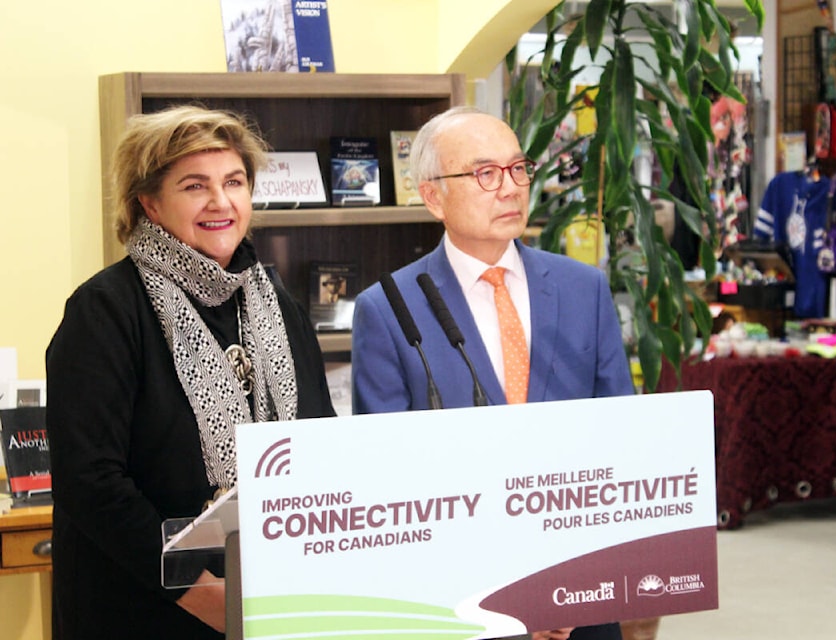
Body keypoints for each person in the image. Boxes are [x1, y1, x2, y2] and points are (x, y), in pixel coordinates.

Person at [351, 106, 659, 640]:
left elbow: (618, 449)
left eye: (519, 169)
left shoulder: (583, 289)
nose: (511, 188)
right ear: (432, 196)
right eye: (485, 174)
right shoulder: (388, 308)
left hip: (579, 601)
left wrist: (570, 590)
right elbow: (393, 489)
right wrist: (502, 599)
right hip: (464, 612)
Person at [46, 105, 336, 639]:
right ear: (150, 204)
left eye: (234, 181)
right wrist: (204, 595)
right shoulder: (105, 310)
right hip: (144, 612)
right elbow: (92, 486)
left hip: (274, 601)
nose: (221, 202)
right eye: (194, 186)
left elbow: (320, 440)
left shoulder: (279, 303)